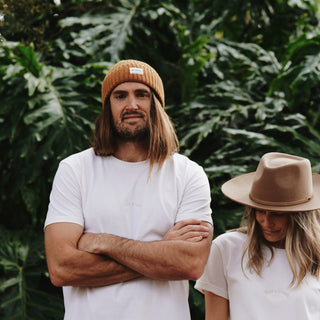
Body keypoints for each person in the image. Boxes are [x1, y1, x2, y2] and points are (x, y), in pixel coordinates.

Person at [44, 59, 213, 320]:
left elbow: (190, 264)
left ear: (156, 104)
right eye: (120, 95)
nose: (131, 105)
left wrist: (102, 241)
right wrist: (161, 251)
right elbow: (62, 268)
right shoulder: (75, 170)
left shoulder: (188, 174)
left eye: (142, 94)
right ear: (108, 107)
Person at [195, 152, 320, 320]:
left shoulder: (316, 257)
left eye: (277, 214)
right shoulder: (227, 248)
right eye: (260, 211)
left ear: (300, 217)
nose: (266, 222)